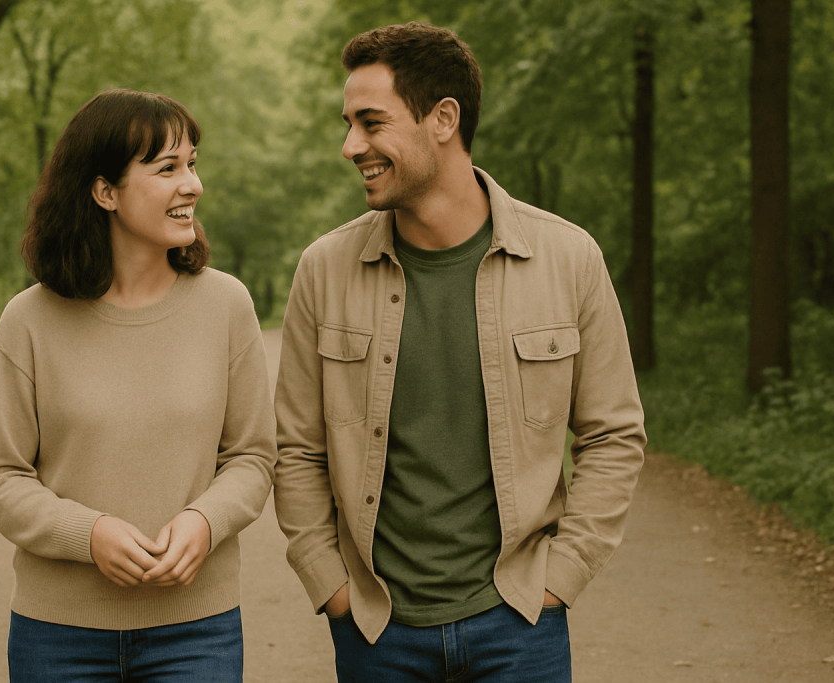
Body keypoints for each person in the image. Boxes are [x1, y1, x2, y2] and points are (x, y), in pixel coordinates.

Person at [273, 22, 646, 682]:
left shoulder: (568, 257)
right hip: (377, 630)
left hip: (520, 625)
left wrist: (562, 576)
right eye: (348, 123)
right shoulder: (324, 270)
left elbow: (613, 433)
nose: (349, 145)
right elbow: (297, 447)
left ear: (443, 118)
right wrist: (328, 582)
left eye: (370, 122)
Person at [0, 89, 276, 682]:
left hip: (198, 633)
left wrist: (204, 522)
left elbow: (252, 457)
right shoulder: (29, 320)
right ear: (105, 191)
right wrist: (89, 534)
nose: (192, 184)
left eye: (192, 163)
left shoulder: (226, 305)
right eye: (168, 168)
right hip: (57, 637)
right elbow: (0, 477)